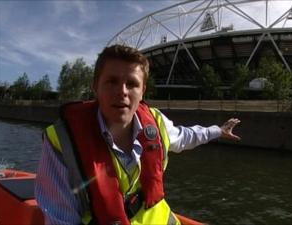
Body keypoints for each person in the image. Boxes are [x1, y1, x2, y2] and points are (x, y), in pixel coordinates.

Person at [35, 44, 241, 225]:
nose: (122, 91)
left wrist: (218, 131)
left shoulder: (157, 123)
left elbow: (186, 136)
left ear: (143, 91)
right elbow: (60, 219)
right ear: (95, 86)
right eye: (112, 81)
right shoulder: (64, 141)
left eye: (132, 84)